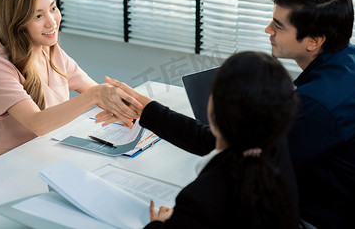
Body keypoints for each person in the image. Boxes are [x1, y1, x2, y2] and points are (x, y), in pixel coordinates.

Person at [99, 53, 300, 227]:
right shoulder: (273, 147)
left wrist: (160, 224)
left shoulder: (200, 199)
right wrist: (145, 108)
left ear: (214, 110)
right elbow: (201, 137)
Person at [0, 0, 141, 167]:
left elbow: (99, 94)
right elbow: (39, 124)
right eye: (38, 15)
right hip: (5, 167)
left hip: (46, 158)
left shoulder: (52, 52)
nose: (52, 21)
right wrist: (96, 95)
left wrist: (134, 111)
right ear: (17, 23)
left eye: (53, 8)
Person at [265, 0, 355, 228]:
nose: (268, 30)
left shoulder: (318, 104)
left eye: (279, 25)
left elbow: (258, 167)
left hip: (315, 214)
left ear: (314, 41)